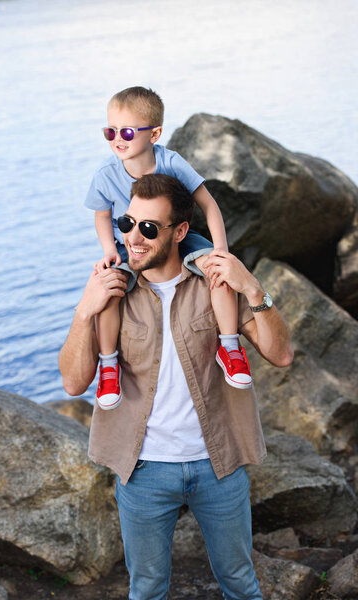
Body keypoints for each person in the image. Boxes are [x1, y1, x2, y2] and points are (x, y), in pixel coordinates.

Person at [59, 174, 294, 600]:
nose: (133, 238)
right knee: (146, 589)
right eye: (127, 224)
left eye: (148, 228)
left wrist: (254, 289)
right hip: (143, 470)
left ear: (180, 232)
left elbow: (280, 355)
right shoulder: (112, 291)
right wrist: (83, 312)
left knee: (240, 582)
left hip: (219, 465)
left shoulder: (214, 282)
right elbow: (74, 382)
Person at [85, 86, 252, 410]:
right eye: (110, 131)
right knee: (109, 289)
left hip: (177, 235)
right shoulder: (106, 174)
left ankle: (230, 347)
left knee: (217, 272)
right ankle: (108, 365)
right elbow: (102, 215)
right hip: (128, 243)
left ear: (155, 133)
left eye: (127, 131)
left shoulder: (171, 162)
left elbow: (209, 204)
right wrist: (108, 249)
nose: (117, 138)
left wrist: (220, 249)